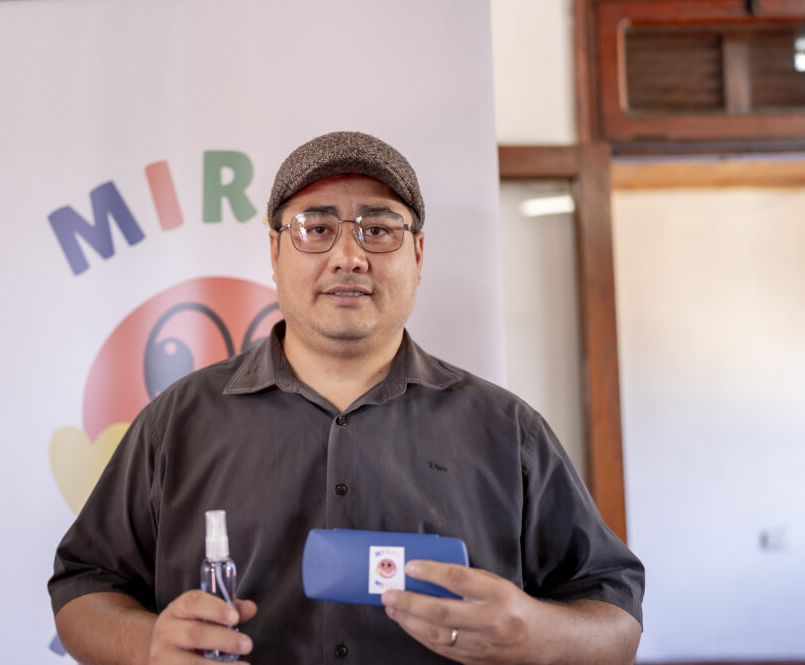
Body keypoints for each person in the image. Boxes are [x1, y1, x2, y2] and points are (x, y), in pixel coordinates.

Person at [49, 131, 645, 664]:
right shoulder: (179, 421)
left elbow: (615, 618)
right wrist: (148, 646)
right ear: (276, 253)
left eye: (378, 230)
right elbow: (83, 586)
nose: (349, 256)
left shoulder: (507, 430)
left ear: (417, 255)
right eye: (316, 229)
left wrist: (535, 634)